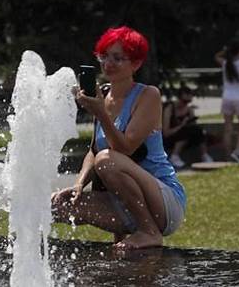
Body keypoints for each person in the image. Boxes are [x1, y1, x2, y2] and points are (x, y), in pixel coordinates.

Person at [51, 26, 186, 250]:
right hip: (126, 202)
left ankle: (149, 232)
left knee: (108, 160)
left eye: (118, 58)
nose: (108, 63)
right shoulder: (102, 94)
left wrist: (100, 113)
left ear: (136, 63)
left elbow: (125, 149)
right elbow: (94, 150)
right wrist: (78, 184)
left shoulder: (148, 95)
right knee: (57, 206)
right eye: (104, 56)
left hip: (163, 203)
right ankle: (128, 239)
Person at [162, 86, 213, 168]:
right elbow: (166, 132)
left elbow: (193, 128)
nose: (184, 105)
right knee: (185, 131)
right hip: (170, 137)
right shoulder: (170, 108)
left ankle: (205, 155)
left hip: (186, 139)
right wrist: (181, 125)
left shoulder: (189, 110)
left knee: (198, 131)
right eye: (183, 102)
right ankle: (174, 156)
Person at [215, 40, 239, 162]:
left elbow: (216, 56)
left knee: (228, 128)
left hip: (227, 97)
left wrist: (225, 50)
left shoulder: (225, 63)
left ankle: (227, 156)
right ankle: (237, 152)